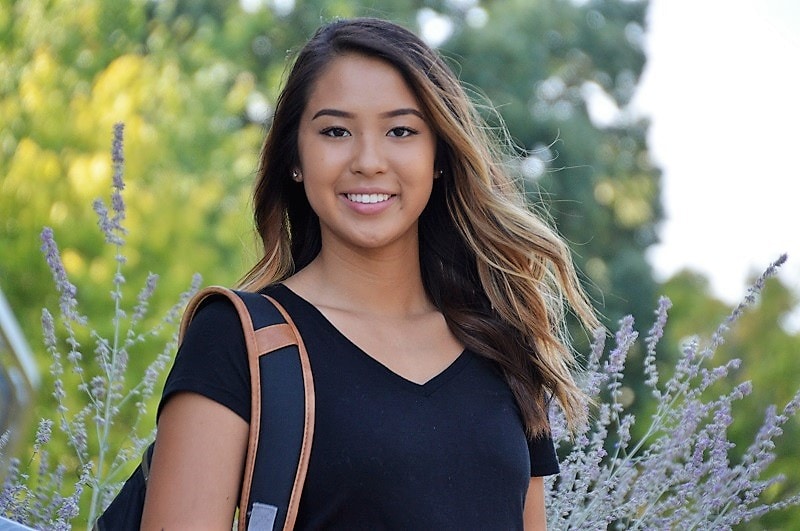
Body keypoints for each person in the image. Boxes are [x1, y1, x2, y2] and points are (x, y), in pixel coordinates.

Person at [141, 17, 599, 530]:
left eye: (401, 131)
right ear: (295, 156)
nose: (368, 160)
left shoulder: (504, 346)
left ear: (438, 157)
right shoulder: (237, 342)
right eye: (335, 131)